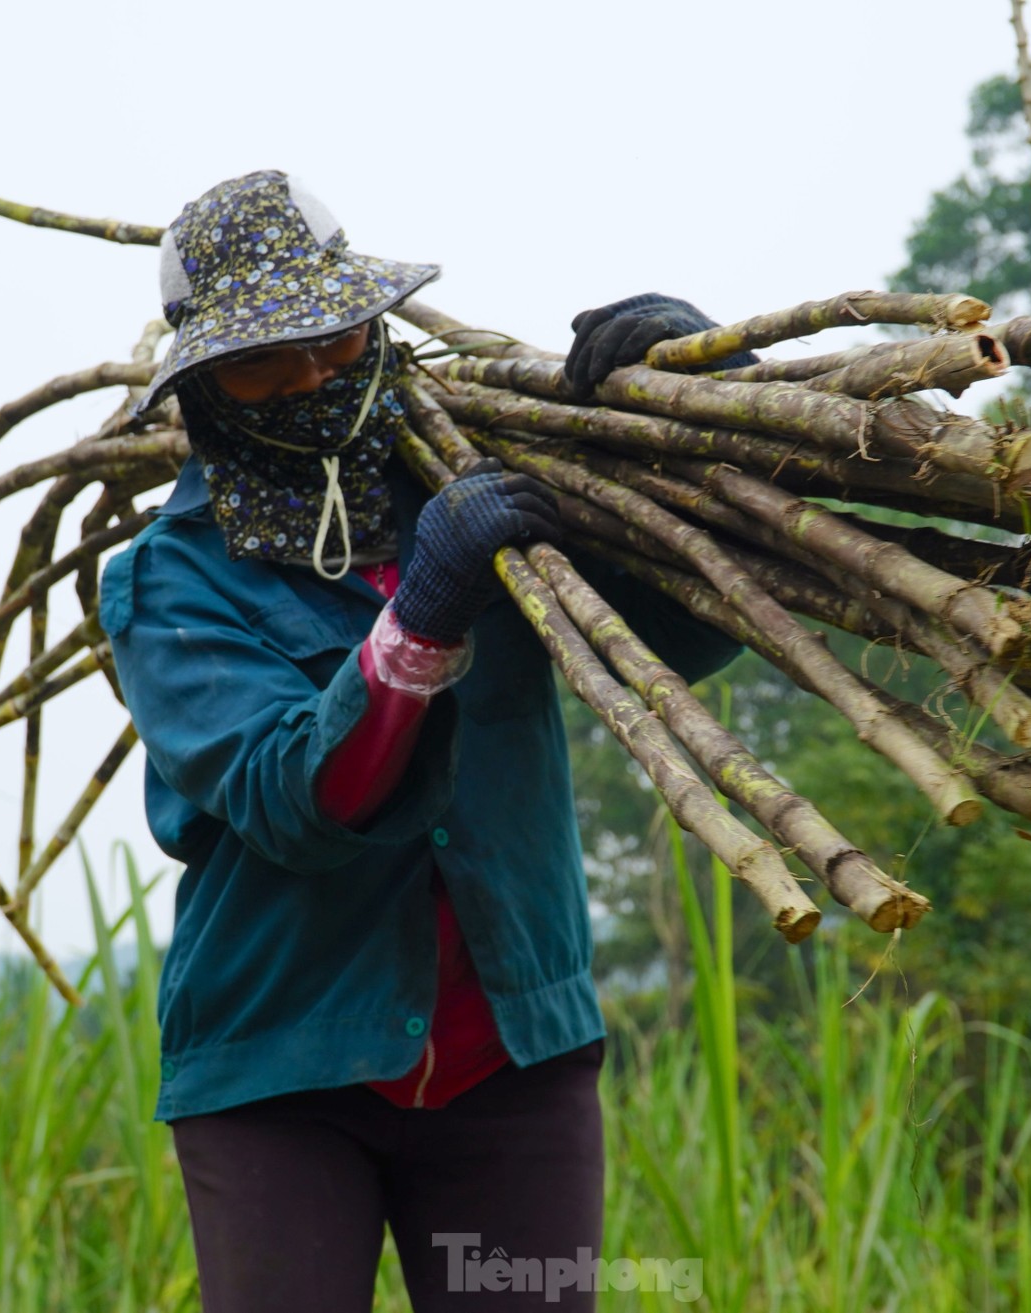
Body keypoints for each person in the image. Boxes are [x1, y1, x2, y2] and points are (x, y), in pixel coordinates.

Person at [99, 169, 754, 1311]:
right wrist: (422, 614)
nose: (310, 378)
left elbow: (689, 628)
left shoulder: (481, 486)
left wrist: (715, 389)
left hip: (512, 1054)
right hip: (279, 1068)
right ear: (204, 387)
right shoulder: (169, 583)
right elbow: (296, 800)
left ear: (375, 325)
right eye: (264, 359)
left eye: (336, 340)